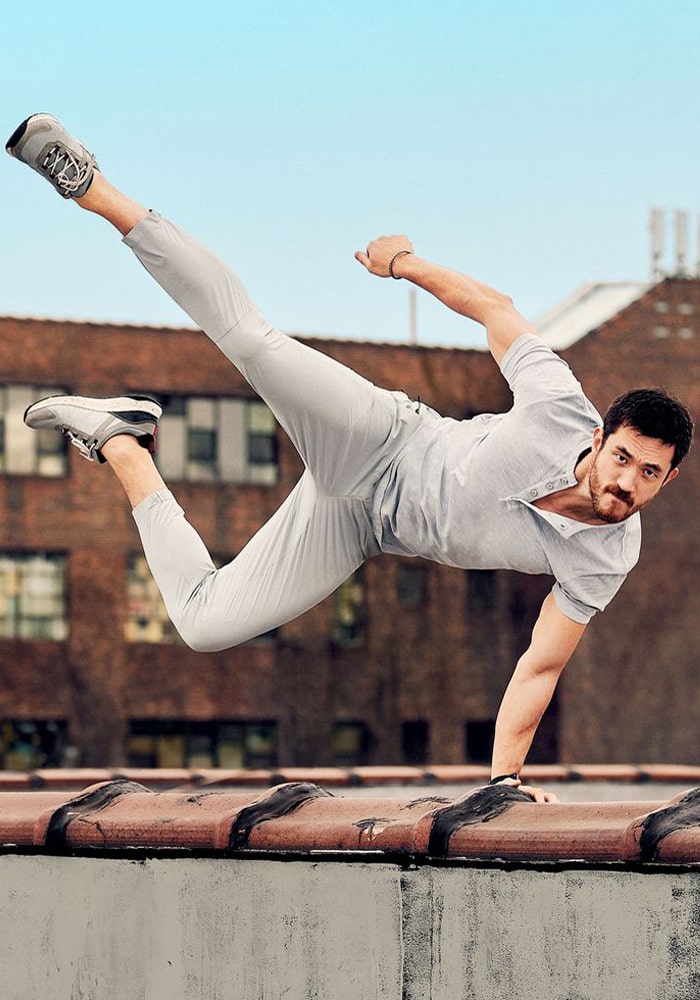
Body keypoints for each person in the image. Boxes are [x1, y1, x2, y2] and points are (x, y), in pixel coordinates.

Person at [6, 114, 694, 803]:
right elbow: (496, 308)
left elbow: (542, 665)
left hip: (361, 525)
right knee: (250, 341)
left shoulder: (607, 558)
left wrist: (505, 779)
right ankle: (94, 188)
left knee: (204, 624)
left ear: (667, 481)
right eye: (624, 458)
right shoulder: (557, 402)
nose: (626, 483)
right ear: (601, 440)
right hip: (382, 437)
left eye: (649, 475)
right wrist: (403, 263)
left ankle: (123, 442)